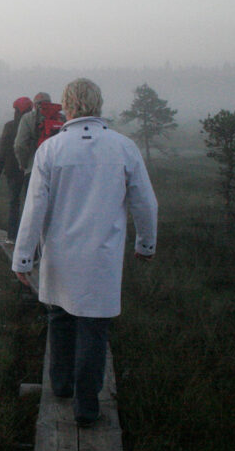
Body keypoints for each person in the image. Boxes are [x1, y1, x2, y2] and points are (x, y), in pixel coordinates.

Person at [12, 78, 157, 427]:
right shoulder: (123, 147)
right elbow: (145, 203)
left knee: (60, 317)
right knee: (93, 327)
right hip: (101, 260)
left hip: (60, 256)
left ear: (67, 106)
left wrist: (23, 257)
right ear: (99, 104)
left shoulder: (51, 150)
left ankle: (60, 387)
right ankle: (87, 407)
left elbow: (33, 209)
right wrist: (145, 244)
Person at [0, 97, 34, 243]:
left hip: (12, 170)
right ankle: (27, 237)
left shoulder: (9, 126)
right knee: (30, 204)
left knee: (14, 202)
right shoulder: (35, 126)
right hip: (30, 170)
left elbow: (2, 150)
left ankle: (12, 236)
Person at [13, 92, 58, 174]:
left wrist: (23, 164)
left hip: (33, 168)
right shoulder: (61, 118)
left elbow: (19, 145)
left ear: (34, 105)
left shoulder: (27, 118)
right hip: (57, 170)